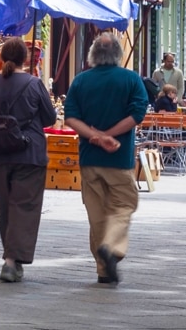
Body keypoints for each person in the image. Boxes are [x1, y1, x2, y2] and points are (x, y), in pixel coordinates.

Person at [0, 36, 56, 283]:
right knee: (24, 207)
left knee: (6, 209)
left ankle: (11, 260)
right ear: (24, 59)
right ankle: (11, 262)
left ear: (3, 58)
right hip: (30, 153)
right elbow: (49, 119)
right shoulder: (34, 83)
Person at [63, 32, 148, 286]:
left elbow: (70, 118)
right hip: (119, 158)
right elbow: (137, 114)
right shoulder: (131, 79)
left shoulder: (80, 81)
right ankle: (112, 248)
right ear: (118, 55)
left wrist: (96, 137)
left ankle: (103, 271)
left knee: (97, 214)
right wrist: (109, 136)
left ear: (93, 54)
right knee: (124, 206)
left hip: (89, 159)